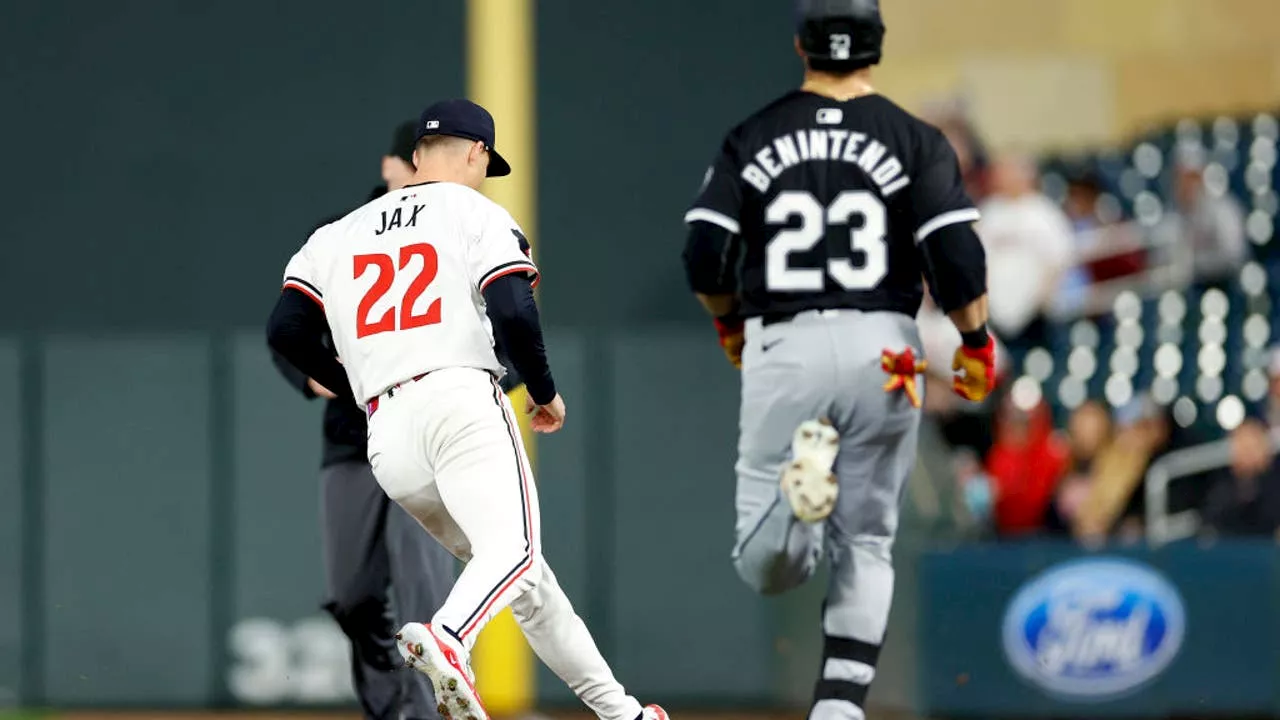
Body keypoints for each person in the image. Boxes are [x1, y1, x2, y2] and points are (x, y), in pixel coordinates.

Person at [267, 98, 667, 720]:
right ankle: (450, 637)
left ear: (417, 155)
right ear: (477, 153)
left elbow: (287, 331)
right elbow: (511, 308)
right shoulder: (474, 210)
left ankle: (620, 712)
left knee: (524, 577)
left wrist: (354, 390)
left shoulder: (337, 233)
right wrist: (542, 388)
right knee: (514, 552)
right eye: (487, 162)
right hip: (457, 400)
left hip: (387, 437)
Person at [680, 1, 995, 717]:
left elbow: (704, 253)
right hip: (885, 348)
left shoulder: (753, 135)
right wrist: (975, 340)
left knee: (767, 568)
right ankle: (840, 706)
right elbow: (955, 256)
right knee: (869, 541)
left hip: (784, 342)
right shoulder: (916, 138)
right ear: (878, 47)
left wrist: (729, 323)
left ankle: (799, 495)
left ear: (800, 44)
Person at [270, 120, 456, 720]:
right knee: (351, 597)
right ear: (390, 166)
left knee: (426, 592)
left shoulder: (459, 230)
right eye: (415, 159)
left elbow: (498, 331)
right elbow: (287, 331)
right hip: (353, 439)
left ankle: (426, 714)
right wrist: (315, 375)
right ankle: (388, 706)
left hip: (427, 438)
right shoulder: (340, 236)